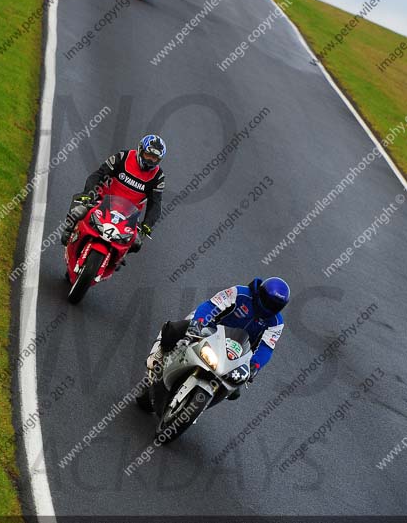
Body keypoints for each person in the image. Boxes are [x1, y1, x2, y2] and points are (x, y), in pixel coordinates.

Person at [146, 277, 289, 396]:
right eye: (268, 301)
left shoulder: (276, 322)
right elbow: (212, 304)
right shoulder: (240, 293)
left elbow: (267, 347)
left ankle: (200, 404)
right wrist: (198, 322)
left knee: (234, 392)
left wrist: (255, 365)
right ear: (260, 293)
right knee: (178, 330)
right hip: (210, 328)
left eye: (274, 306)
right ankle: (161, 352)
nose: (269, 307)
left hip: (237, 349)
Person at [60, 135, 167, 255]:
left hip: (129, 215)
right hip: (103, 201)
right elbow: (98, 175)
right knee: (78, 210)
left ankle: (118, 258)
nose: (150, 161)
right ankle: (69, 231)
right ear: (140, 150)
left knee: (137, 243)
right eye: (148, 155)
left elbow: (155, 203)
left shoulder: (158, 177)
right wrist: (88, 194)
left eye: (154, 158)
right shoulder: (122, 157)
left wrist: (148, 224)